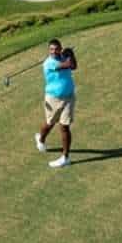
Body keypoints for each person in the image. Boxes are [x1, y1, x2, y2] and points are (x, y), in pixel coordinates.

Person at [37, 39, 78, 168]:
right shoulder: (48, 64)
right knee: (50, 123)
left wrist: (71, 55)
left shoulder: (64, 57)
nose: (54, 51)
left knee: (64, 126)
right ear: (49, 51)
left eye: (56, 49)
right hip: (53, 98)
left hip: (69, 97)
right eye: (51, 49)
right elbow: (65, 65)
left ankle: (65, 157)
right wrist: (69, 55)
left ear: (60, 48)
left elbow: (73, 66)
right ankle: (41, 138)